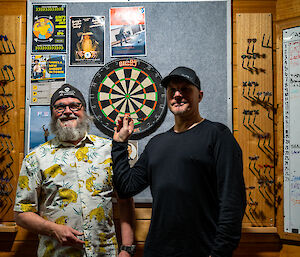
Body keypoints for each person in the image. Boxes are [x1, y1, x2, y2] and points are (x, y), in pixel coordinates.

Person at [112, 67, 246, 257]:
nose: (177, 95)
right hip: (157, 251)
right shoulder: (156, 144)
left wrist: (220, 252)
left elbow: (232, 201)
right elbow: (126, 187)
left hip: (202, 250)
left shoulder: (218, 135)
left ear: (199, 96)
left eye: (185, 89)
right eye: (172, 90)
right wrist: (119, 144)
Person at [14, 84, 135, 257]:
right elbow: (21, 213)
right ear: (52, 113)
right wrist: (53, 229)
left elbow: (125, 200)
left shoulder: (109, 150)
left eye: (74, 106)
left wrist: (127, 249)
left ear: (84, 111)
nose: (67, 111)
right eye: (60, 107)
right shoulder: (36, 158)